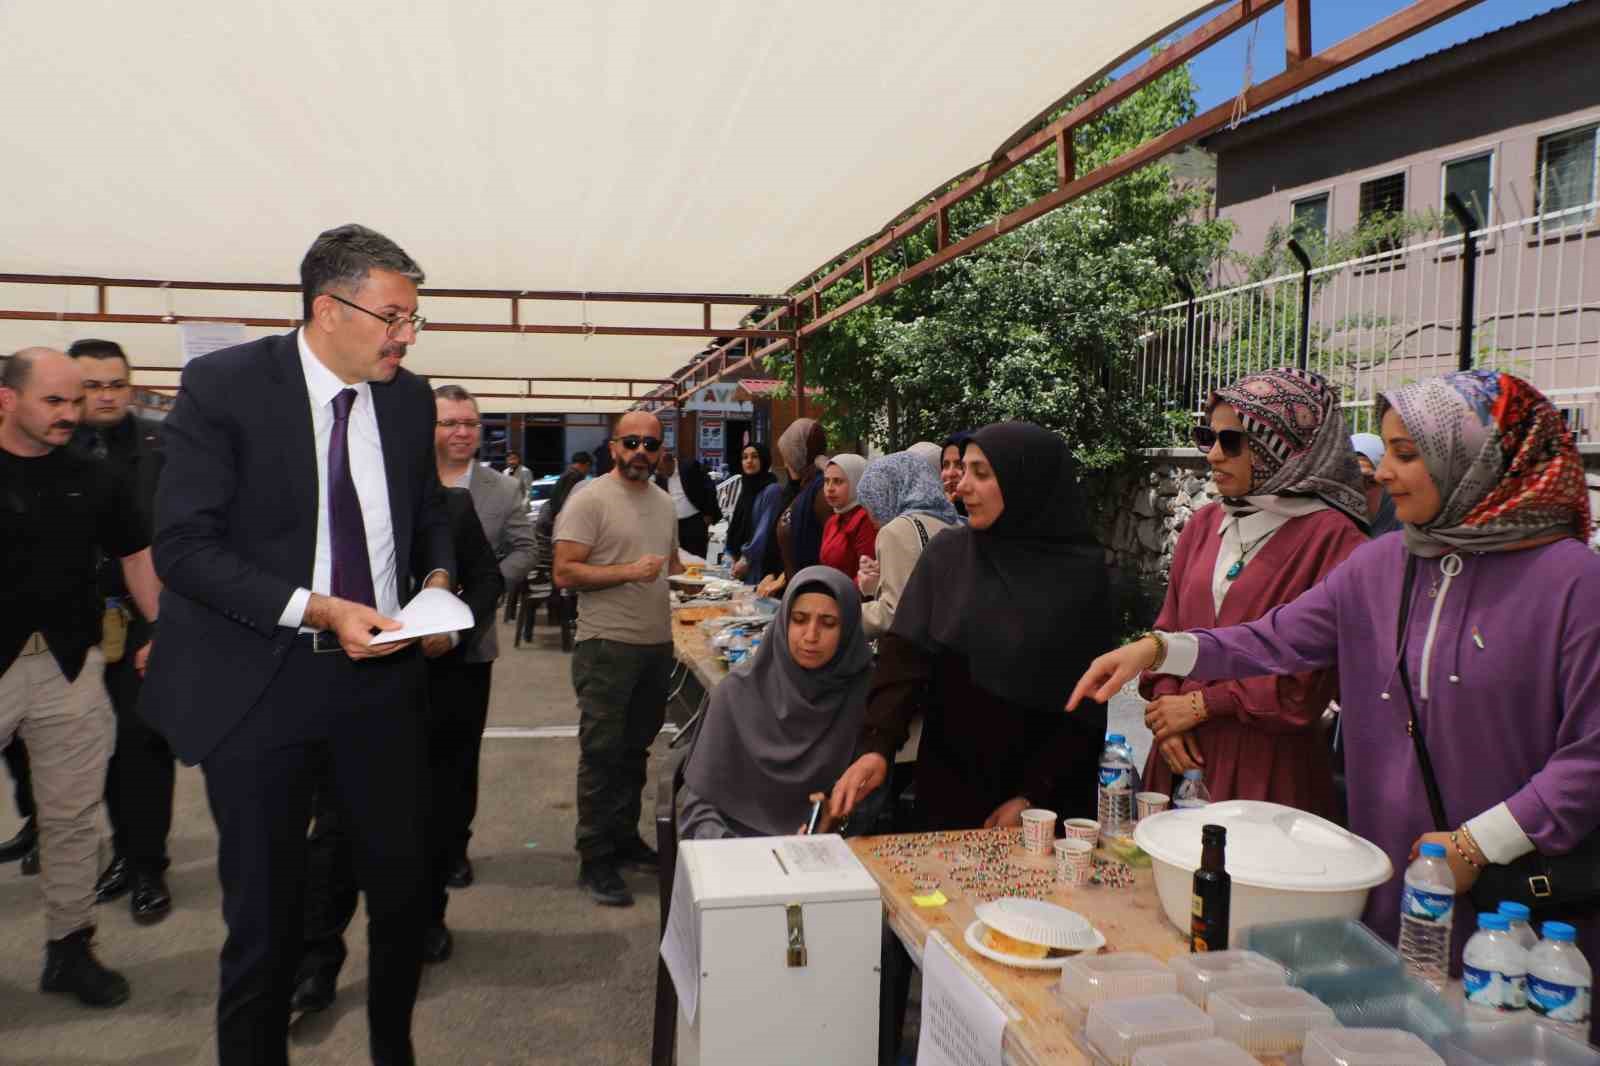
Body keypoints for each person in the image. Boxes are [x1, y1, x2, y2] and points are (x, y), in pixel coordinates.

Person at [1070, 370, 1600, 988]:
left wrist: (1476, 844)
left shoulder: (1572, 585)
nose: (1381, 472)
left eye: (1407, 454)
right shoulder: (1382, 564)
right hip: (1385, 873)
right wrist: (1159, 649)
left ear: (1478, 459)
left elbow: (1590, 755)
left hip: (1515, 913)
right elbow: (1274, 639)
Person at [140, 224, 455, 1066]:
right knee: (265, 921)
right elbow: (185, 549)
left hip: (382, 686)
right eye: (394, 316)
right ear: (328, 308)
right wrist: (320, 609)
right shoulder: (224, 386)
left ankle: (395, 1049)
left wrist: (435, 581)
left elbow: (428, 511)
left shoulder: (408, 397)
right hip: (263, 684)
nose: (406, 335)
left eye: (413, 318)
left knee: (399, 897)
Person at [829, 422, 1112, 831]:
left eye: (981, 473)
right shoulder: (948, 557)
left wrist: (1035, 797)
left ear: (1025, 481)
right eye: (963, 471)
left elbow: (1087, 707)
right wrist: (877, 746)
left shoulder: (1082, 575)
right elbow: (904, 659)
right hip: (949, 789)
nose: (961, 486)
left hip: (1044, 806)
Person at [292, 486, 503, 1013]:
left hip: (437, 689)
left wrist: (452, 633)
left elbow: (486, 580)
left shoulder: (451, 506)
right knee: (335, 829)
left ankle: (428, 920)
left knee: (432, 816)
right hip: (350, 686)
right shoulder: (331, 498)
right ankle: (317, 961)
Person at [1, 347, 163, 1007]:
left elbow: (136, 555)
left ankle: (70, 951)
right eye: (56, 402)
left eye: (76, 401)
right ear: (7, 399)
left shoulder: (93, 475)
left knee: (71, 821)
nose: (72, 414)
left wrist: (167, 630)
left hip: (70, 670)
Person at [1139, 369, 1367, 818]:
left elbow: (1308, 681)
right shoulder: (1205, 524)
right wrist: (1167, 713)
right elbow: (1168, 627)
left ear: (1284, 447)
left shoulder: (1336, 541)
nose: (1214, 455)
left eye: (1233, 441)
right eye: (1208, 436)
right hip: (1178, 759)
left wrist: (1201, 706)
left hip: (1265, 769)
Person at [63, 338, 175, 923]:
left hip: (145, 618)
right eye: (93, 385)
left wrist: (167, 626)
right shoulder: (54, 445)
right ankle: (123, 854)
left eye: (116, 384)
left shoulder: (164, 446)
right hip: (74, 625)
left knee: (142, 743)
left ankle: (149, 864)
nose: (106, 396)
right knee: (91, 748)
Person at [553, 411, 682, 908]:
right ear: (613, 447)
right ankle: (595, 856)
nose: (642, 452)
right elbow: (564, 572)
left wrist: (706, 575)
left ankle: (625, 840)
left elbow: (671, 567)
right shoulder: (589, 500)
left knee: (635, 753)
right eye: (632, 442)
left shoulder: (665, 503)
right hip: (606, 646)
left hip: (655, 645)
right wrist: (629, 571)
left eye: (651, 444)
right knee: (602, 755)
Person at [678, 567, 872, 840]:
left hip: (825, 859)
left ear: (849, 630)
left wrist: (834, 823)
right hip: (734, 856)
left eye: (828, 623)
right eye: (799, 620)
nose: (811, 636)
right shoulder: (736, 695)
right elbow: (699, 812)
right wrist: (746, 857)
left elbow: (870, 809)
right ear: (783, 622)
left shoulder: (864, 698)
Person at [431, 385, 535, 892]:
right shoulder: (403, 482)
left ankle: (454, 846)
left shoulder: (500, 489)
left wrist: (486, 586)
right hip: (402, 647)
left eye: (469, 423)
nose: (461, 432)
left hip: (471, 646)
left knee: (459, 753)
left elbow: (524, 549)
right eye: (450, 422)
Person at [853, 451, 961, 641]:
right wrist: (878, 584)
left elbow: (896, 613)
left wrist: (838, 616)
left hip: (918, 657)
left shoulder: (896, 531)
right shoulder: (956, 520)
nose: (870, 516)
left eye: (871, 503)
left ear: (888, 493)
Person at [761, 417, 829, 597]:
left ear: (798, 454)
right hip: (798, 590)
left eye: (787, 456)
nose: (785, 464)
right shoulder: (805, 488)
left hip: (813, 593)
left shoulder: (822, 490)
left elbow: (826, 550)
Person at [726, 442, 782, 585]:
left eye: (754, 457)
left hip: (759, 565)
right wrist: (732, 555)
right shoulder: (746, 488)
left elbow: (764, 530)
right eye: (745, 457)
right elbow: (735, 526)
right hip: (739, 566)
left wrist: (746, 559)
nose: (749, 461)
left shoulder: (772, 490)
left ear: (764, 460)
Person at [656, 449, 722, 560]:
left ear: (670, 462)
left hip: (695, 521)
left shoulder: (689, 467)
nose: (661, 473)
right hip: (674, 524)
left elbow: (709, 488)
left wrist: (708, 514)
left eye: (662, 469)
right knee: (677, 559)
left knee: (697, 559)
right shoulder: (661, 478)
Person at [819, 453, 876, 581]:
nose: (829, 488)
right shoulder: (833, 521)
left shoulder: (867, 520)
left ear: (858, 482)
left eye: (838, 481)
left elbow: (867, 576)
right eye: (826, 481)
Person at [1351, 432, 1401, 536]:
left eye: (1370, 482)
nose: (1359, 492)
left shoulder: (1410, 539)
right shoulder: (1326, 533)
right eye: (1350, 480)